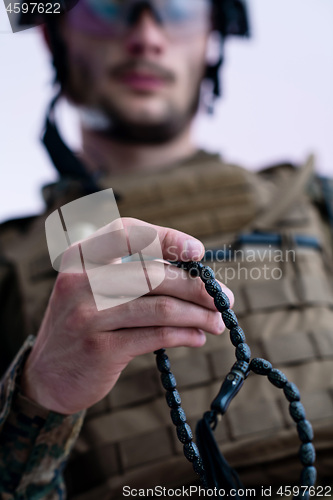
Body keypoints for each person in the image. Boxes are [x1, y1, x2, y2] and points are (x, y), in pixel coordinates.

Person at [0, 0, 333, 498]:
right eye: (111, 8)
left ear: (211, 37)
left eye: (177, 9)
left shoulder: (317, 204)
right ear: (53, 35)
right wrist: (38, 399)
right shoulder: (10, 264)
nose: (148, 37)